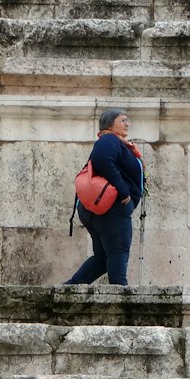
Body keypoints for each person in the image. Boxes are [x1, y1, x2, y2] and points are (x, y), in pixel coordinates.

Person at [65, 107, 144, 286]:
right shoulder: (109, 139)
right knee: (118, 252)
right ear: (109, 124)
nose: (127, 124)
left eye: (127, 120)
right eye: (122, 120)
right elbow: (102, 159)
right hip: (112, 209)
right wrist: (124, 190)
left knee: (103, 258)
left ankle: (70, 287)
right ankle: (120, 298)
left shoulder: (114, 142)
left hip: (101, 210)